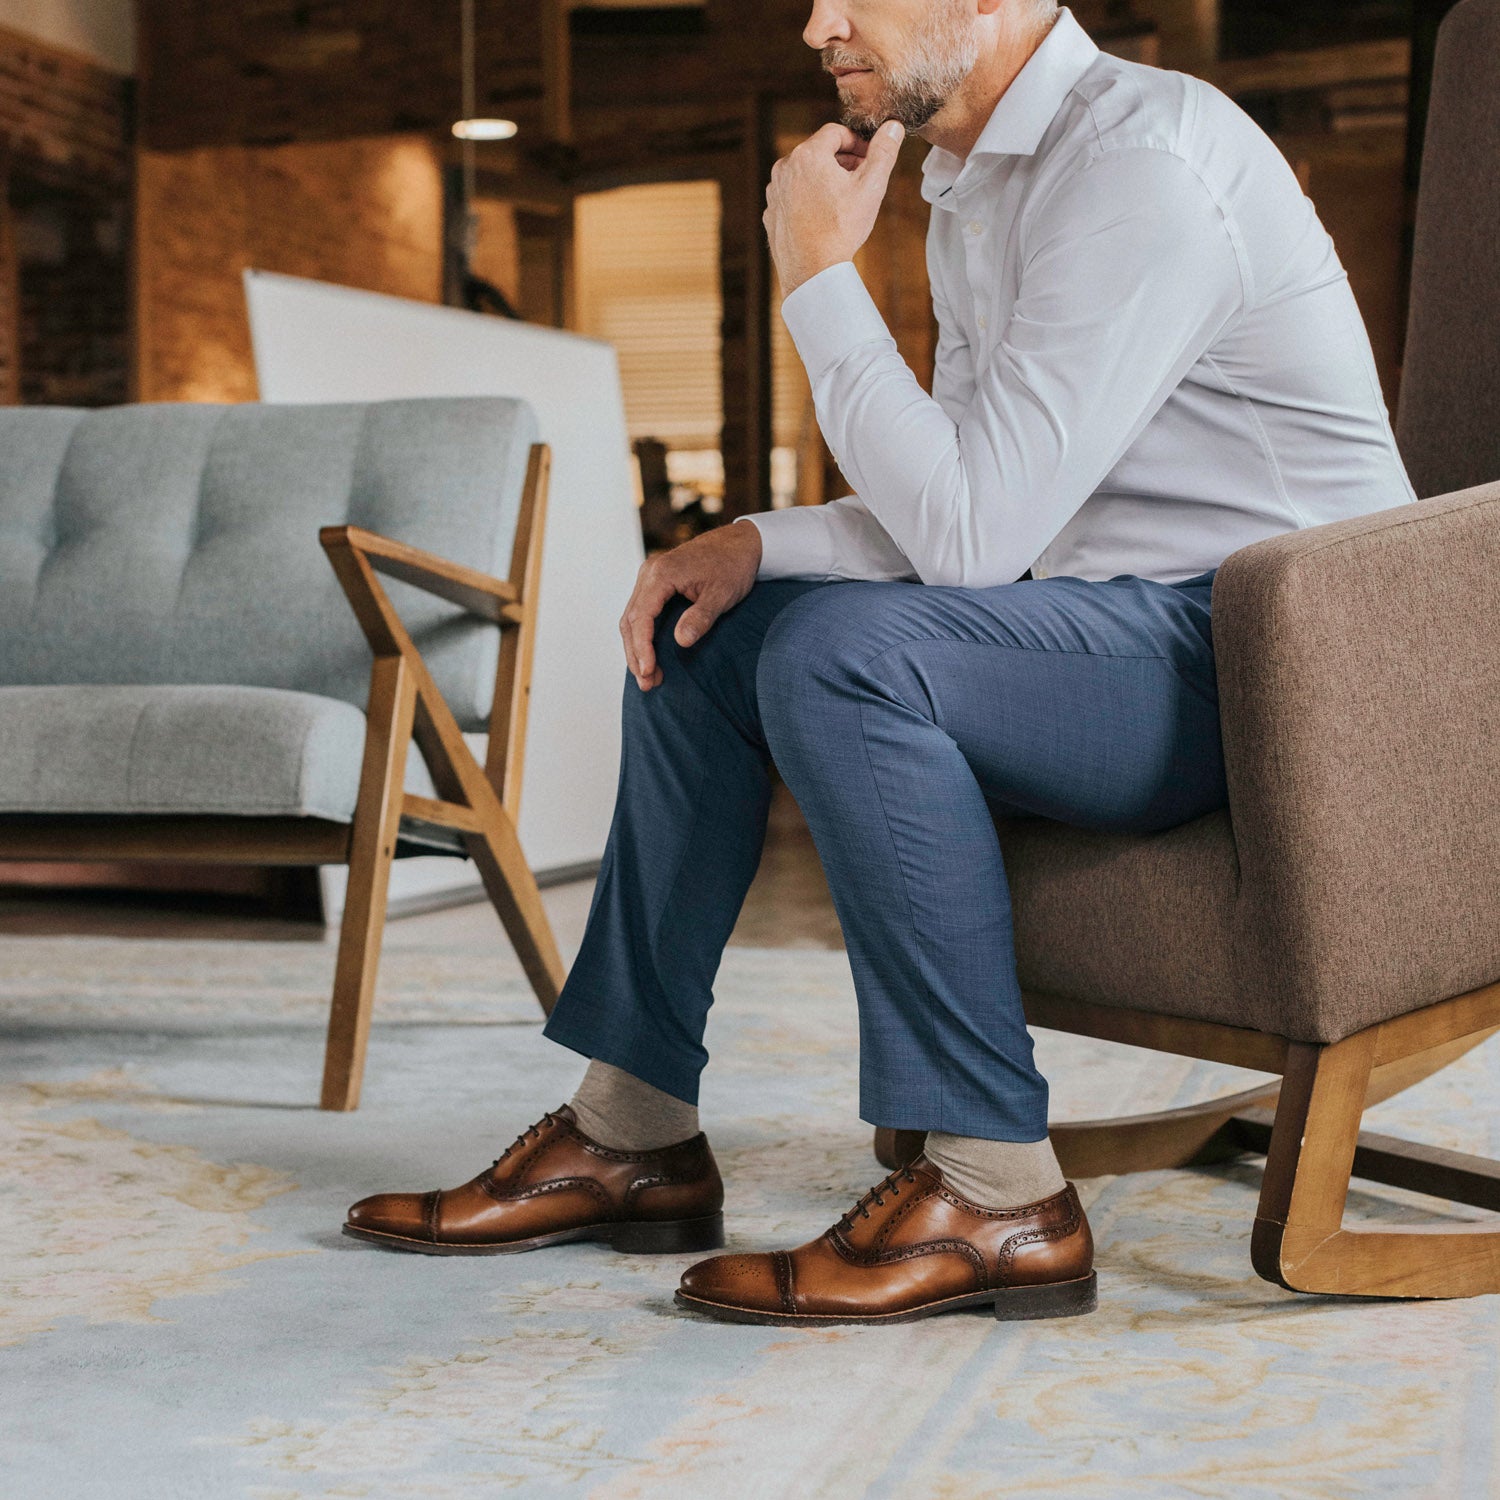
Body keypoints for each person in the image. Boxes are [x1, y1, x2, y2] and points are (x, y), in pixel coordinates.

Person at [344, 0, 1414, 1326]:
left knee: (849, 657)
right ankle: (633, 1131)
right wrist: (754, 541)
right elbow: (972, 487)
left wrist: (815, 277)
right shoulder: (976, 179)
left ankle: (996, 1187)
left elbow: (968, 534)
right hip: (1116, 628)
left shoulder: (1145, 160)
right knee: (715, 630)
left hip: (1276, 667)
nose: (816, 24)